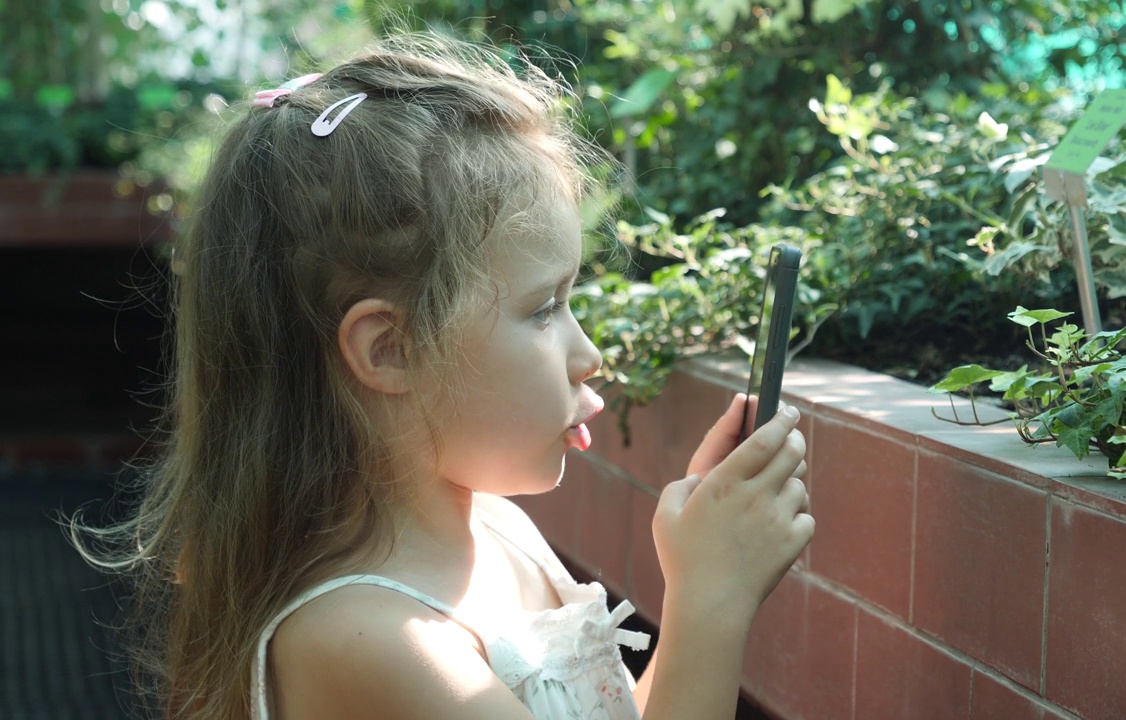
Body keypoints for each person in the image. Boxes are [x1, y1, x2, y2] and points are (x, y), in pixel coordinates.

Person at [74, 32, 813, 720]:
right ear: (389, 349)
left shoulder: (498, 527)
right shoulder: (371, 636)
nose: (588, 353)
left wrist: (706, 570)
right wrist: (710, 602)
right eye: (543, 309)